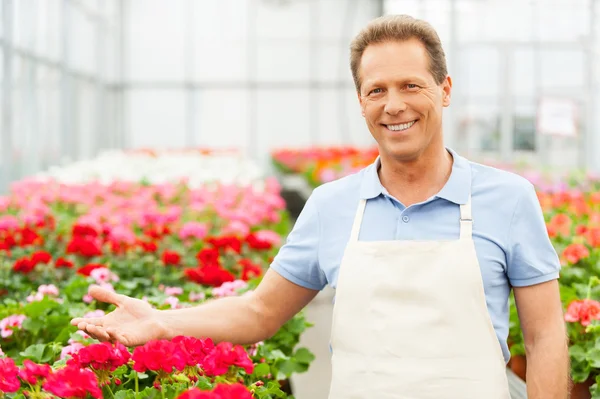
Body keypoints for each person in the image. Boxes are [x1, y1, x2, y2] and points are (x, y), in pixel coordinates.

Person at [71, 14, 568, 398]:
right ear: (360, 101)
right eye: (376, 90)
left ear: (445, 90)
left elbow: (545, 336)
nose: (393, 105)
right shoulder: (332, 205)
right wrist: (161, 322)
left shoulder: (508, 199)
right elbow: (261, 312)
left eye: (410, 85)